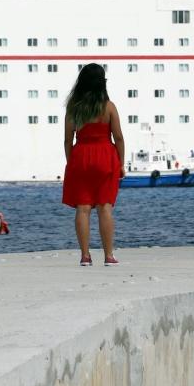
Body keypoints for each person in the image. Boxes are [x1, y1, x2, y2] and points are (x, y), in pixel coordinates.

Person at [62, 63, 125, 266]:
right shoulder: (108, 107)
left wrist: (71, 162)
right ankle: (108, 256)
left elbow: (67, 139)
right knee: (104, 207)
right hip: (105, 157)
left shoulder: (74, 107)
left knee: (83, 209)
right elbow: (118, 137)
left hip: (81, 156)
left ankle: (85, 256)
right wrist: (121, 163)